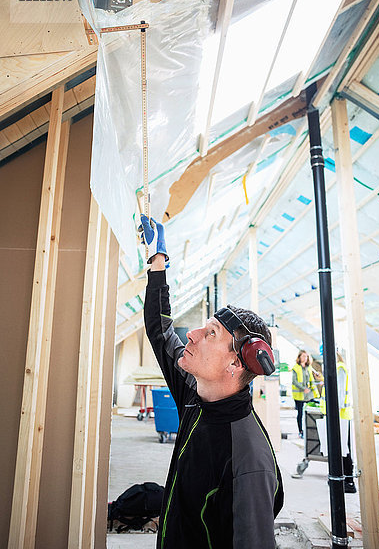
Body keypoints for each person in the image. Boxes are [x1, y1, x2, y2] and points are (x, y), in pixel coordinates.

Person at [139, 215, 284, 549]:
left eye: (210, 333)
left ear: (235, 362)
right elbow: (161, 332)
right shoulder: (196, 392)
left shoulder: (248, 458)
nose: (191, 334)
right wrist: (157, 261)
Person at [320, 351, 356, 493]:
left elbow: (339, 393)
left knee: (343, 449)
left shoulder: (340, 369)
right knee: (338, 448)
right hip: (335, 415)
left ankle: (348, 480)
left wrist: (334, 411)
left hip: (340, 415)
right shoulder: (337, 368)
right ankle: (341, 477)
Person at [291, 350, 319, 438]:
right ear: (299, 357)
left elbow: (312, 379)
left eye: (306, 356)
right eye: (303, 356)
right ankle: (300, 431)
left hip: (308, 395)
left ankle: (312, 429)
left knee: (312, 410)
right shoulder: (296, 368)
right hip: (299, 395)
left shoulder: (309, 367)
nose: (305, 358)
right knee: (300, 414)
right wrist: (303, 389)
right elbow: (294, 381)